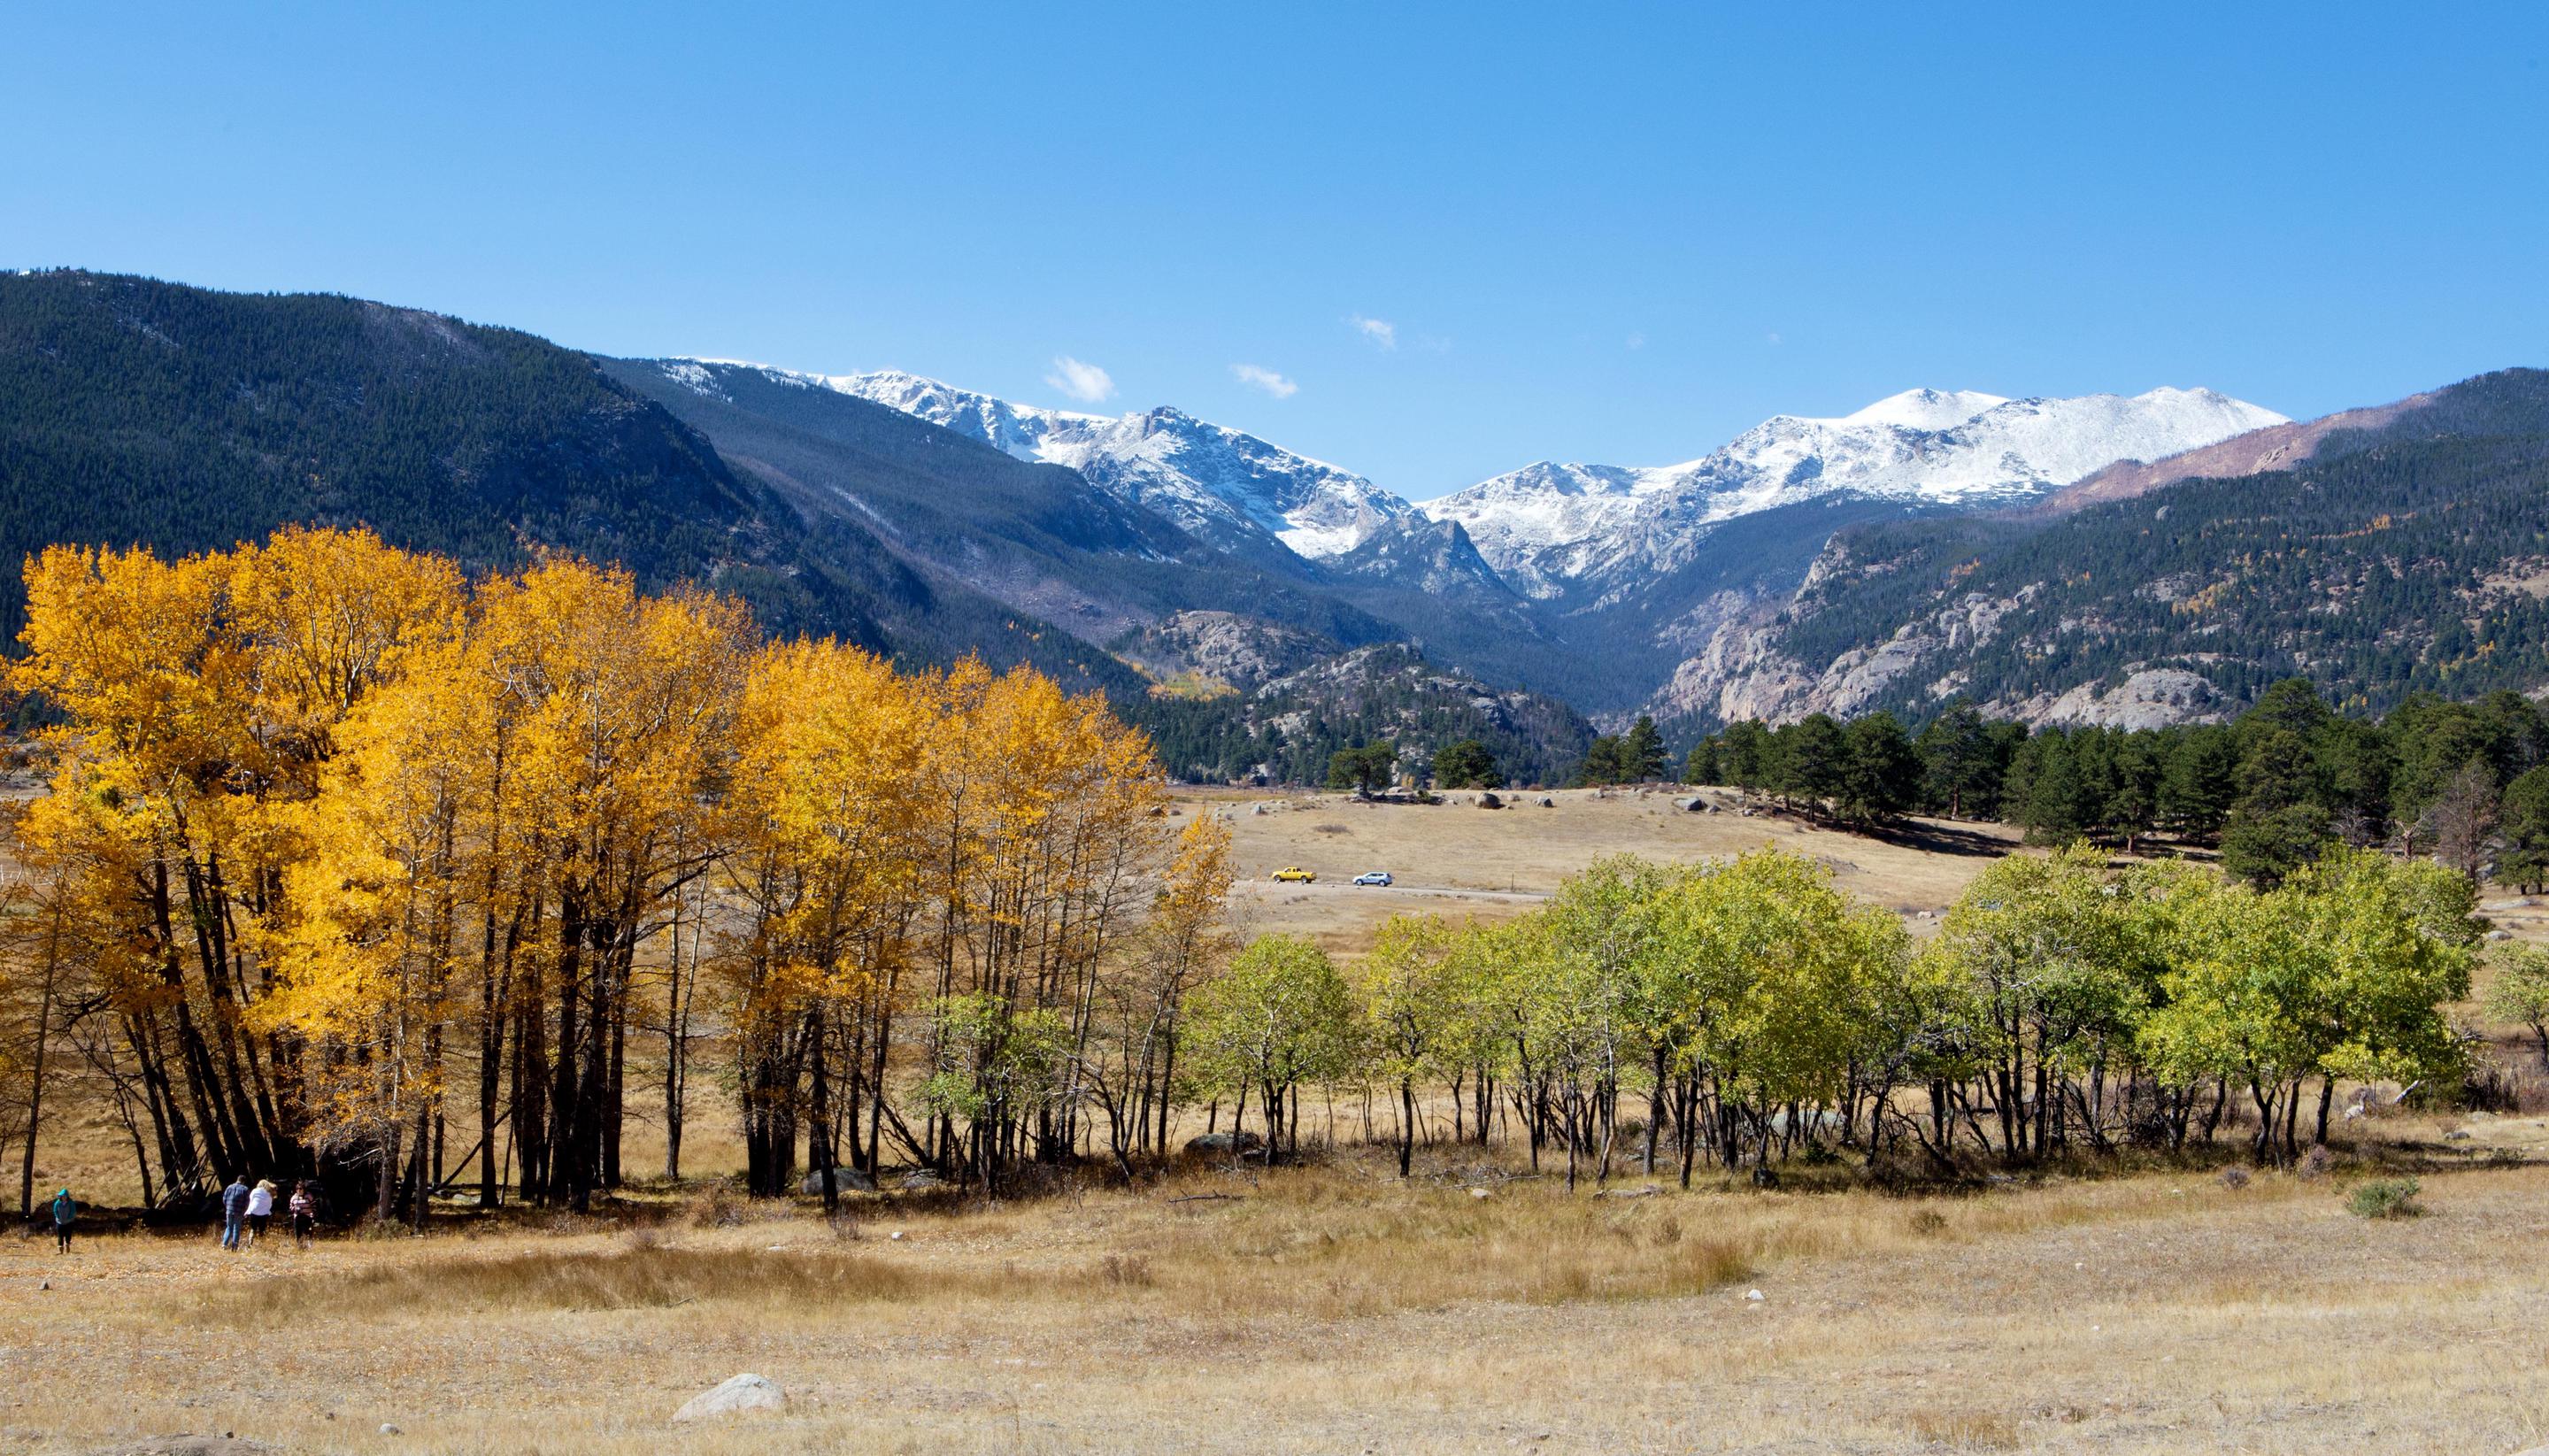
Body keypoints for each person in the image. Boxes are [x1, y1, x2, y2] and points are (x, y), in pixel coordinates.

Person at [219, 1174, 250, 1251]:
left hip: (229, 1211)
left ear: (237, 1179)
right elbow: (247, 1202)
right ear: (243, 1181)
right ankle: (234, 1247)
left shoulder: (229, 1187)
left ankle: (224, 1245)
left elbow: (224, 1199)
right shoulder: (245, 1189)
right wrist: (245, 1211)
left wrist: (228, 1207)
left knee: (229, 1227)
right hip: (239, 1212)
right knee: (236, 1229)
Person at [244, 1179, 275, 1246]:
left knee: (253, 1228)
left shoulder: (255, 1191)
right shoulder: (269, 1193)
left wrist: (248, 1211)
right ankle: (262, 1244)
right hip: (264, 1213)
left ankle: (250, 1243)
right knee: (262, 1229)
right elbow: (270, 1204)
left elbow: (251, 1200)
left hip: (254, 1211)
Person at [288, 1180, 316, 1248]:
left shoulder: (309, 1196)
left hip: (307, 1216)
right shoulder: (294, 1197)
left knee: (308, 1232)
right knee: (298, 1232)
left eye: (300, 1189)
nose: (299, 1190)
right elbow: (291, 1207)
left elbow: (314, 1205)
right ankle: (300, 1246)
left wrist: (313, 1214)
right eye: (297, 1189)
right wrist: (295, 1209)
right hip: (297, 1217)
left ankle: (309, 1246)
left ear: (304, 1189)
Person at [49, 1188, 75, 1254]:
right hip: (59, 1222)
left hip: (69, 1222)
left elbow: (73, 1211)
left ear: (67, 1196)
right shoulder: (57, 1203)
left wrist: (69, 1218)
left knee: (68, 1235)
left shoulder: (71, 1203)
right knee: (60, 1236)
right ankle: (60, 1250)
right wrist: (58, 1217)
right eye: (62, 1196)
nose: (63, 1197)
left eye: (64, 1196)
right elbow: (55, 1211)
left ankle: (67, 1245)